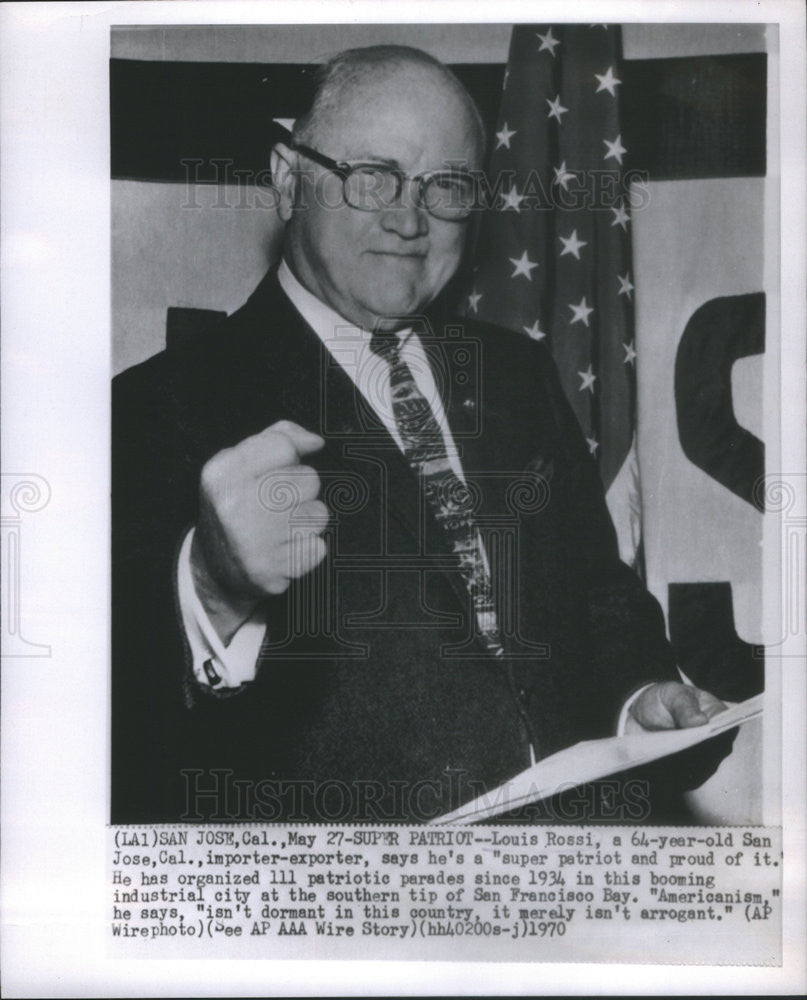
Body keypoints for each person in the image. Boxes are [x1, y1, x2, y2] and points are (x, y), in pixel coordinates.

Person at [112, 44, 730, 824]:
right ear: (285, 175)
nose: (407, 219)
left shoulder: (514, 374)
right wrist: (211, 586)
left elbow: (593, 593)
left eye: (446, 187)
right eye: (370, 174)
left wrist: (635, 700)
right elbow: (107, 711)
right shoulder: (157, 404)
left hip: (569, 884)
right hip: (349, 912)